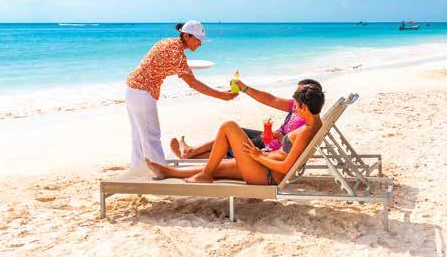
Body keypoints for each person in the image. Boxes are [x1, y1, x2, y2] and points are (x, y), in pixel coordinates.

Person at [145, 83, 325, 185]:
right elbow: (285, 158)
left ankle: (204, 174)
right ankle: (168, 171)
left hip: (267, 174)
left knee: (229, 126)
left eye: (297, 106)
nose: (295, 108)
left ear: (303, 107)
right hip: (266, 164)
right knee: (221, 166)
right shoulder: (315, 124)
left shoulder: (306, 132)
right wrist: (262, 154)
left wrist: (258, 156)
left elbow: (286, 167)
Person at [125, 20, 237, 171]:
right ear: (186, 36)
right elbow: (193, 83)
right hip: (143, 93)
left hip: (132, 89)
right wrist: (222, 95)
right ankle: (161, 173)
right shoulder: (177, 55)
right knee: (151, 137)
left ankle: (139, 171)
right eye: (197, 40)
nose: (200, 44)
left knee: (139, 137)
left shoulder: (167, 43)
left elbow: (166, 64)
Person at [169, 79, 323, 159]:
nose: (293, 96)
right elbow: (270, 99)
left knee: (230, 147)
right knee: (237, 132)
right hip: (269, 138)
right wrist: (244, 88)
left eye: (297, 93)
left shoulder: (306, 119)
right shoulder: (297, 106)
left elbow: (293, 145)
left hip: (271, 146)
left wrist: (280, 137)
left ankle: (190, 154)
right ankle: (191, 152)